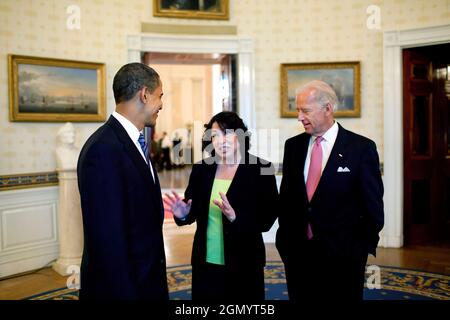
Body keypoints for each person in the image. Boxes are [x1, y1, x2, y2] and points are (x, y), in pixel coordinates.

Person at [275, 80, 384, 301]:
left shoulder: (361, 149)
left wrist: (359, 250)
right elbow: (287, 200)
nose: (299, 117)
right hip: (298, 254)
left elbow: (373, 207)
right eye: (297, 110)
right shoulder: (292, 146)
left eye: (305, 110)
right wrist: (286, 243)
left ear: (328, 108)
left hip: (344, 257)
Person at [164, 111, 279, 301]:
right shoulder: (202, 169)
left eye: (228, 134)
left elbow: (267, 219)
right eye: (215, 136)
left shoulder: (261, 169)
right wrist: (183, 214)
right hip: (206, 261)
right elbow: (190, 211)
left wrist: (236, 218)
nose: (221, 141)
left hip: (245, 262)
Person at [77, 63, 168, 300]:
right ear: (144, 94)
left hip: (145, 278)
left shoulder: (132, 141)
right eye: (159, 96)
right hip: (123, 288)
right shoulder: (103, 150)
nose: (161, 104)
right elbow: (108, 239)